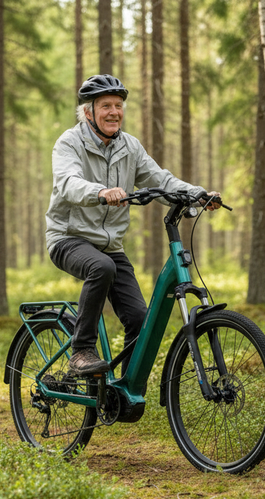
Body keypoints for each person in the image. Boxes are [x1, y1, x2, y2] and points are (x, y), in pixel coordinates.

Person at [45, 74, 219, 376]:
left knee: (140, 320)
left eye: (118, 105)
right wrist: (99, 192)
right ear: (88, 112)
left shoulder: (130, 146)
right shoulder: (69, 143)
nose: (114, 112)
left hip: (110, 245)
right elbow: (67, 183)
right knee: (101, 267)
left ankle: (124, 392)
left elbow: (161, 180)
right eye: (105, 106)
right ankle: (81, 351)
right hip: (68, 238)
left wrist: (197, 194)